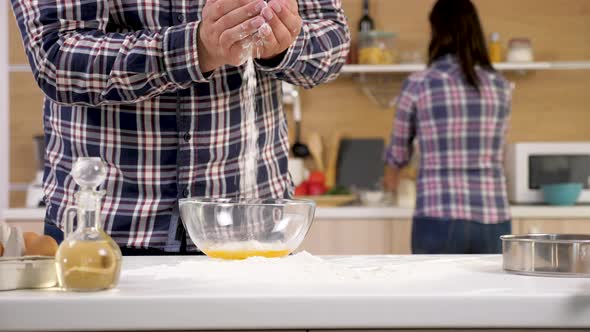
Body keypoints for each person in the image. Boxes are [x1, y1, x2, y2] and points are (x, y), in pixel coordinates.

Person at [10, 0, 350, 255]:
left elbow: (333, 40)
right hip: (104, 235)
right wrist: (198, 47)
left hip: (254, 230)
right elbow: (56, 57)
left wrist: (284, 42)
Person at [384, 0, 512, 254]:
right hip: (493, 216)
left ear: (436, 32)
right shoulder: (501, 87)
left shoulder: (419, 84)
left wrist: (392, 180)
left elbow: (397, 155)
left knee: (435, 294)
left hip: (437, 216)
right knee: (494, 294)